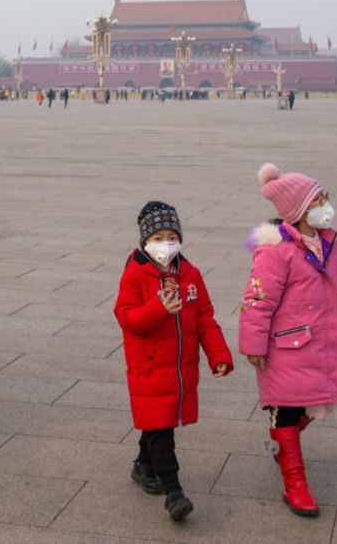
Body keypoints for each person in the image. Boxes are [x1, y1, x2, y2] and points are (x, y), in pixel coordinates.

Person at [241, 165, 337, 517]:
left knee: (307, 407)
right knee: (288, 410)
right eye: (318, 200)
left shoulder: (328, 243)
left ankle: (280, 440)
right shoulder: (276, 251)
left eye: (323, 197)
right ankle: (295, 483)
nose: (326, 205)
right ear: (298, 211)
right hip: (285, 350)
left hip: (320, 347)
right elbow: (257, 299)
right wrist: (253, 344)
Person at [115, 201, 233, 522]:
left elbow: (205, 319)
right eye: (158, 238)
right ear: (144, 241)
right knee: (162, 430)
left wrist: (219, 355)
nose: (165, 244)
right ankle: (174, 492)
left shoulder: (190, 274)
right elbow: (126, 317)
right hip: (150, 370)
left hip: (180, 371)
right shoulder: (136, 274)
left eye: (171, 236)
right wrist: (157, 309)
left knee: (157, 424)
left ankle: (144, 465)